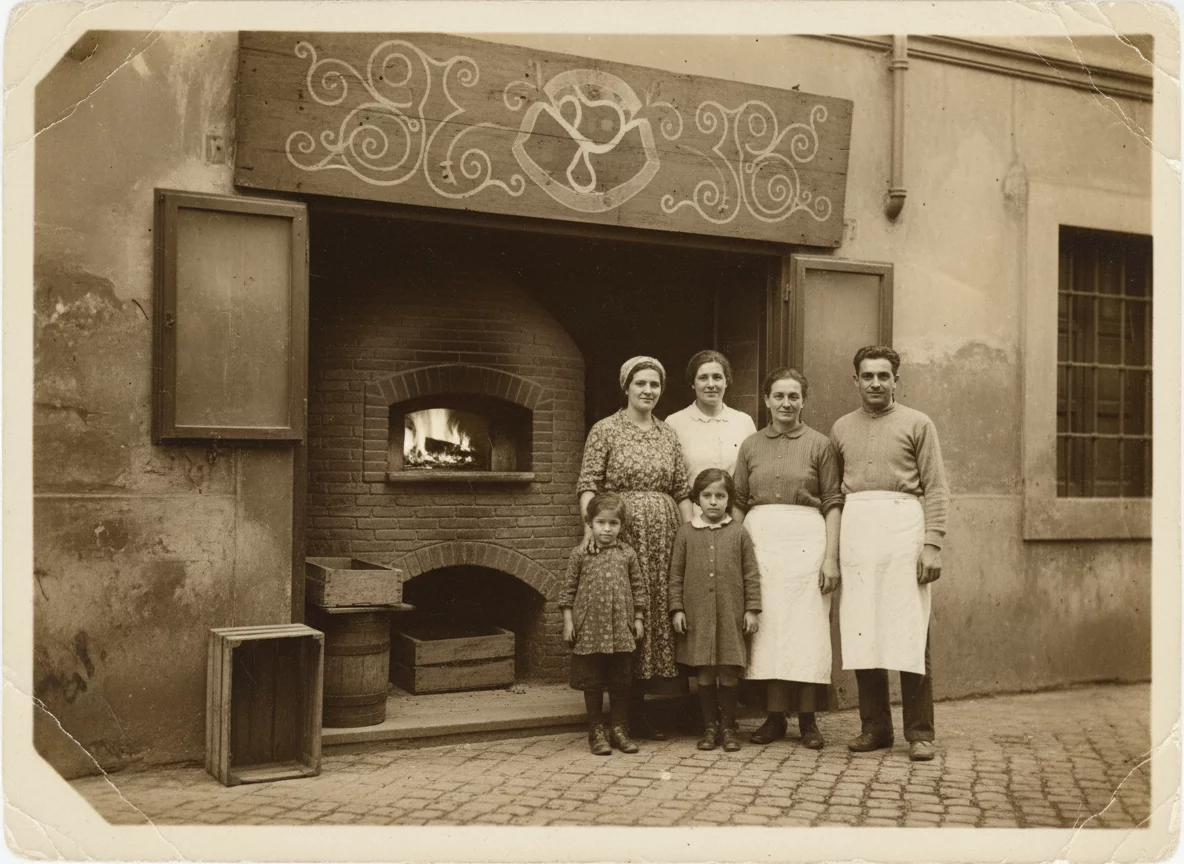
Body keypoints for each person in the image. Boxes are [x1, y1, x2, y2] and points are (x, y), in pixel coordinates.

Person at [829, 345, 949, 762]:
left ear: (897, 380)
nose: (875, 383)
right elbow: (835, 493)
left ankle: (920, 732)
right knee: (864, 628)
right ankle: (875, 728)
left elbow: (935, 486)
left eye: (883, 376)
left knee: (909, 631)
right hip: (859, 531)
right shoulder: (841, 427)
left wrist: (932, 543)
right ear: (856, 380)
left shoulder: (919, 423)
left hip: (904, 529)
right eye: (867, 376)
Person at [577, 356, 693, 739]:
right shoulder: (605, 430)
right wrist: (591, 531)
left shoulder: (668, 433)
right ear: (626, 387)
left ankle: (640, 712)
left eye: (655, 385)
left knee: (655, 614)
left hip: (663, 537)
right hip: (620, 535)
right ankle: (621, 716)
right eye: (641, 384)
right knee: (624, 614)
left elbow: (680, 489)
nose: (648, 391)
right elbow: (589, 484)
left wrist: (690, 534)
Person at [734, 367, 843, 749]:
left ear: (803, 401)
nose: (786, 403)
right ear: (766, 400)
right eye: (778, 396)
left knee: (807, 628)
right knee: (769, 629)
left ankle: (809, 721)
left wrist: (830, 557)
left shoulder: (820, 445)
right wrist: (737, 553)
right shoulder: (750, 445)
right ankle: (775, 717)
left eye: (793, 396)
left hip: (806, 543)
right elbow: (739, 503)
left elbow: (832, 502)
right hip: (761, 542)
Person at [669, 468, 762, 752]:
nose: (713, 502)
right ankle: (710, 728)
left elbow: (751, 574)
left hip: (731, 615)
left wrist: (751, 609)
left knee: (729, 673)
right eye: (706, 496)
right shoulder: (686, 533)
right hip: (698, 617)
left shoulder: (739, 533)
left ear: (728, 500)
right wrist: (677, 609)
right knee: (706, 673)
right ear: (696, 500)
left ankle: (729, 727)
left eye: (719, 496)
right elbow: (675, 575)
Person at [560, 492, 646, 756]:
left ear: (621, 526)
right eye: (601, 523)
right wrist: (568, 622)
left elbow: (638, 587)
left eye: (613, 524)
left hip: (621, 628)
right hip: (590, 629)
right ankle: (596, 731)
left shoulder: (627, 553)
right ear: (590, 523)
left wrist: (638, 618)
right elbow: (568, 591)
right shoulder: (580, 554)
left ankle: (619, 729)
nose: (607, 529)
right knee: (593, 681)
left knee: (621, 681)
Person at [666, 350, 758, 484]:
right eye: (703, 378)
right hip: (690, 504)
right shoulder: (674, 423)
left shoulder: (744, 422)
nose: (710, 384)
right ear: (693, 383)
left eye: (717, 377)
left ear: (726, 382)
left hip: (735, 504)